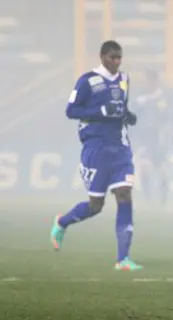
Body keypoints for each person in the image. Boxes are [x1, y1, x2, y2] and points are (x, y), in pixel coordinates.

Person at [50, 40, 142, 271]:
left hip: (120, 146)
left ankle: (123, 259)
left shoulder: (125, 79)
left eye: (120, 57)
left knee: (124, 194)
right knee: (96, 205)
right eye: (113, 57)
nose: (117, 62)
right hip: (95, 147)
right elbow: (71, 111)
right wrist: (99, 112)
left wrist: (128, 116)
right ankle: (62, 222)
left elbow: (121, 107)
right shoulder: (87, 80)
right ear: (102, 57)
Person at [134, 70, 173, 207]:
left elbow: (169, 117)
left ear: (155, 82)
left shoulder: (163, 98)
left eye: (147, 81)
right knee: (145, 167)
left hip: (159, 140)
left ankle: (163, 200)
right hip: (146, 140)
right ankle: (148, 200)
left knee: (162, 170)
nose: (145, 84)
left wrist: (171, 131)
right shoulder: (141, 99)